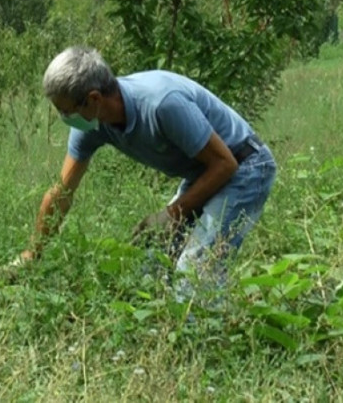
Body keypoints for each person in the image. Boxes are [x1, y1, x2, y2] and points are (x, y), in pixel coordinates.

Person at [16, 46, 277, 302]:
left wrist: (170, 214)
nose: (64, 117)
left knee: (195, 272)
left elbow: (225, 164)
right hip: (205, 172)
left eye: (66, 110)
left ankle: (210, 336)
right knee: (151, 267)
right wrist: (32, 253)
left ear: (94, 99)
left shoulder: (161, 103)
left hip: (246, 167)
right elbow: (62, 191)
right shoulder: (90, 124)